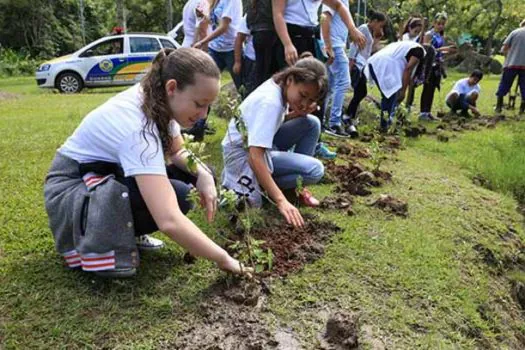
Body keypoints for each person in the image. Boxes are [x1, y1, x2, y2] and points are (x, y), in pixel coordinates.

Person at [44, 48, 250, 278]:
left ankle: (127, 230)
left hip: (106, 176)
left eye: (208, 106)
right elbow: (168, 219)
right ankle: (109, 239)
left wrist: (203, 175)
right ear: (172, 88)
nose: (203, 115)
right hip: (73, 192)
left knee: (198, 174)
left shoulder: (158, 98)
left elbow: (178, 151)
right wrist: (224, 259)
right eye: (199, 104)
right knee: (180, 195)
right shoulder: (138, 128)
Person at [221, 57, 328, 227]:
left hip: (262, 144)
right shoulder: (270, 103)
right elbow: (254, 157)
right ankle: (268, 190)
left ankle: (292, 188)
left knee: (311, 123)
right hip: (243, 153)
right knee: (315, 170)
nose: (305, 103)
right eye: (303, 95)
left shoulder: (278, 85)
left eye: (310, 100)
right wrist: (281, 201)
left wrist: (297, 114)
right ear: (291, 79)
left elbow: (270, 123)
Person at [272, 0, 366, 159]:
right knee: (290, 93)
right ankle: (283, 143)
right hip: (290, 35)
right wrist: (287, 44)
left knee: (318, 91)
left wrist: (352, 28)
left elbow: (338, 6)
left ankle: (314, 143)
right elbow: (278, 13)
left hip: (311, 37)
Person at [364, 41, 427, 131]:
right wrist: (403, 91)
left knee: (390, 96)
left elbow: (410, 78)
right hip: (385, 64)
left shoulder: (410, 46)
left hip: (376, 61)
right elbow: (408, 69)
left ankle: (387, 123)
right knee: (390, 95)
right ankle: (385, 126)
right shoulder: (419, 52)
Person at [344, 10, 387, 138]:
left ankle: (349, 115)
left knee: (361, 92)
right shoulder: (363, 29)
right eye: (380, 25)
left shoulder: (369, 31)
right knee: (361, 91)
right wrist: (350, 65)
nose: (381, 28)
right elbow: (354, 46)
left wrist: (378, 37)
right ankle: (348, 115)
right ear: (374, 21)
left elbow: (369, 50)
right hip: (356, 64)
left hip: (362, 65)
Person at [419, 12, 455, 121]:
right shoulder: (429, 34)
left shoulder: (440, 36)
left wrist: (447, 51)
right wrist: (442, 49)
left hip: (438, 65)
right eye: (438, 23)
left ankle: (428, 111)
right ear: (434, 23)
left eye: (443, 24)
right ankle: (423, 113)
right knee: (427, 88)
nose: (440, 26)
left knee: (433, 88)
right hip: (429, 64)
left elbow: (438, 51)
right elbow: (427, 49)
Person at [495, 19, 525, 114]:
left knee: (504, 84)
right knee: (524, 87)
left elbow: (504, 48)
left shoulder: (515, 32)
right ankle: (522, 109)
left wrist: (508, 57)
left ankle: (499, 106)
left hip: (511, 64)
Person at [233, 15, 257, 98]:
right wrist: (237, 61)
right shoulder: (251, 14)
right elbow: (239, 38)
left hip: (270, 61)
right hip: (251, 59)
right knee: (248, 90)